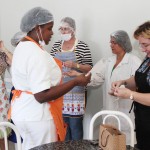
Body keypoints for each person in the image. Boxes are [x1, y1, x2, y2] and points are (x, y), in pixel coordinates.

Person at [10, 7, 91, 150]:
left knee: (29, 146)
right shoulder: (35, 53)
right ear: (37, 28)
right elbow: (41, 95)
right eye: (49, 28)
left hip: (22, 112)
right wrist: (76, 81)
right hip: (37, 116)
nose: (53, 32)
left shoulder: (22, 46)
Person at [87, 30, 141, 145]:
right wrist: (80, 78)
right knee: (109, 143)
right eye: (110, 42)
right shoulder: (108, 61)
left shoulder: (134, 61)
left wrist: (122, 90)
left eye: (114, 42)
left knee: (126, 143)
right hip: (109, 109)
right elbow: (94, 77)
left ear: (123, 43)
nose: (111, 45)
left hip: (126, 112)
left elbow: (139, 84)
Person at [50, 17, 93, 140]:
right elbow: (51, 65)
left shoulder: (82, 46)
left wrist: (75, 65)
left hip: (77, 92)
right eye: (61, 29)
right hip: (60, 90)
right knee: (63, 125)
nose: (63, 32)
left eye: (66, 29)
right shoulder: (56, 45)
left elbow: (90, 68)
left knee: (75, 126)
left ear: (73, 30)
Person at [111, 21, 150, 150]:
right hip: (143, 120)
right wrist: (124, 82)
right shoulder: (147, 59)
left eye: (145, 45)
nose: (143, 49)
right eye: (141, 45)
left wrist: (130, 95)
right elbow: (140, 78)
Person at [0, 41, 13, 149]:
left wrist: (4, 49)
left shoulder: (3, 54)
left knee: (3, 133)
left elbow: (15, 62)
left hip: (1, 97)